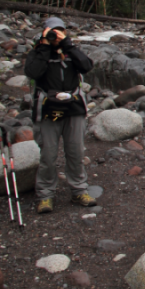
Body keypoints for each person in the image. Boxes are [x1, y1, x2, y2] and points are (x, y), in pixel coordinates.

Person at [24, 16, 96, 213]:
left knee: (76, 152)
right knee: (48, 154)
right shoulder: (38, 52)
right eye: (52, 31)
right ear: (44, 33)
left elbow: (87, 66)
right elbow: (33, 72)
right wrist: (45, 46)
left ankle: (79, 190)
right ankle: (46, 195)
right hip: (48, 109)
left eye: (59, 31)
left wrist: (68, 45)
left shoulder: (70, 51)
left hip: (73, 108)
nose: (56, 35)